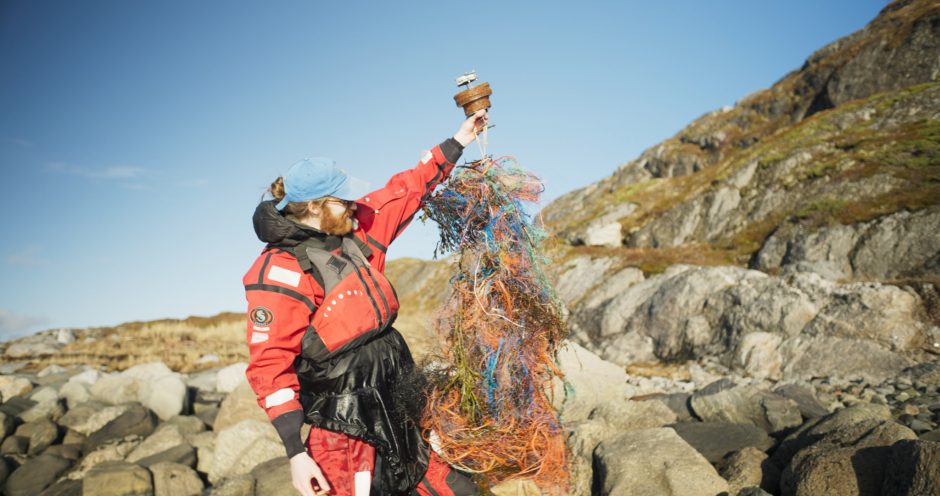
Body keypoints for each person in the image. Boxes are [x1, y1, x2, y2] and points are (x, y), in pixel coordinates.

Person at [243, 110, 488, 496]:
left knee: (460, 490)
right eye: (342, 199)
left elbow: (406, 189)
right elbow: (269, 366)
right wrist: (296, 453)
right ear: (313, 207)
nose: (353, 204)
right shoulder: (279, 273)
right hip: (346, 427)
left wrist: (458, 139)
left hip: (402, 400)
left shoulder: (356, 232)